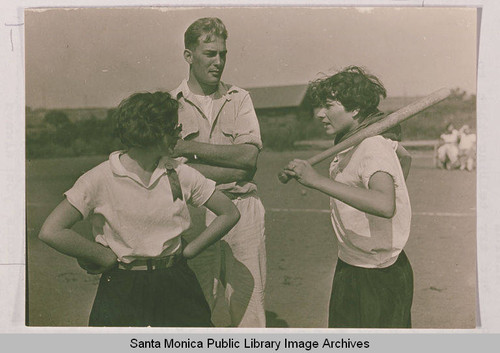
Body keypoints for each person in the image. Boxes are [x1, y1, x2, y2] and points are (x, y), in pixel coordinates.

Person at [38, 91, 240, 327]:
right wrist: (100, 255)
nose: (180, 133)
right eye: (174, 127)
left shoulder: (179, 172)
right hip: (122, 285)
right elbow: (51, 230)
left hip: (176, 283)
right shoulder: (100, 177)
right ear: (153, 131)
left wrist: (189, 251)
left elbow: (229, 212)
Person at [284, 66, 413, 328]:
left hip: (378, 275)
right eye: (319, 106)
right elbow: (406, 157)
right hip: (351, 263)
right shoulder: (353, 141)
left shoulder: (372, 146)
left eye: (328, 106)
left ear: (355, 109)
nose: (319, 114)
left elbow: (385, 204)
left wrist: (316, 180)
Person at [170, 17, 266, 327]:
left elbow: (248, 159)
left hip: (243, 207)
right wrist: (231, 166)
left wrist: (187, 151)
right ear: (189, 56)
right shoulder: (171, 105)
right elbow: (174, 172)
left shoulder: (240, 98)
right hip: (194, 213)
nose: (219, 62)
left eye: (223, 54)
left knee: (249, 307)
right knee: (196, 305)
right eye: (210, 54)